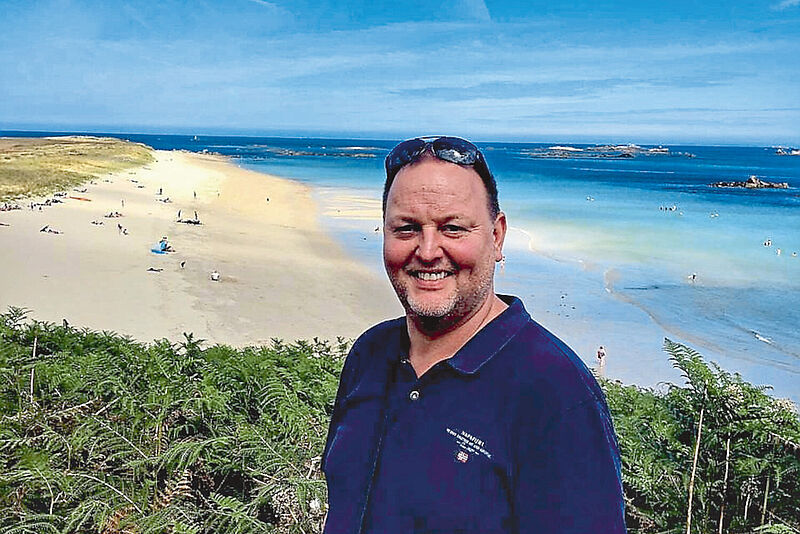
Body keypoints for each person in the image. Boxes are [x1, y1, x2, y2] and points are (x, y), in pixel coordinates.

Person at [322, 136, 626, 533]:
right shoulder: (370, 353)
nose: (428, 251)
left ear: (497, 237)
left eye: (452, 228)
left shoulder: (556, 393)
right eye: (406, 228)